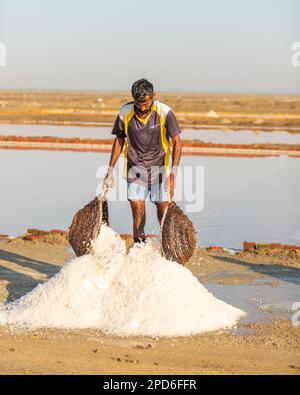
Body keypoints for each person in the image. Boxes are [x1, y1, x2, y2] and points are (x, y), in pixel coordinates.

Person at [103, 78, 182, 243]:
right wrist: (110, 170)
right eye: (139, 104)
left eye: (146, 103)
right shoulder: (125, 112)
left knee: (164, 216)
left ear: (154, 95)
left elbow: (177, 142)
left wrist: (173, 174)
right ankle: (139, 251)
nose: (143, 108)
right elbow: (119, 140)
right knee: (138, 216)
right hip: (135, 171)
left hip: (161, 170)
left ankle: (166, 252)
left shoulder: (165, 112)